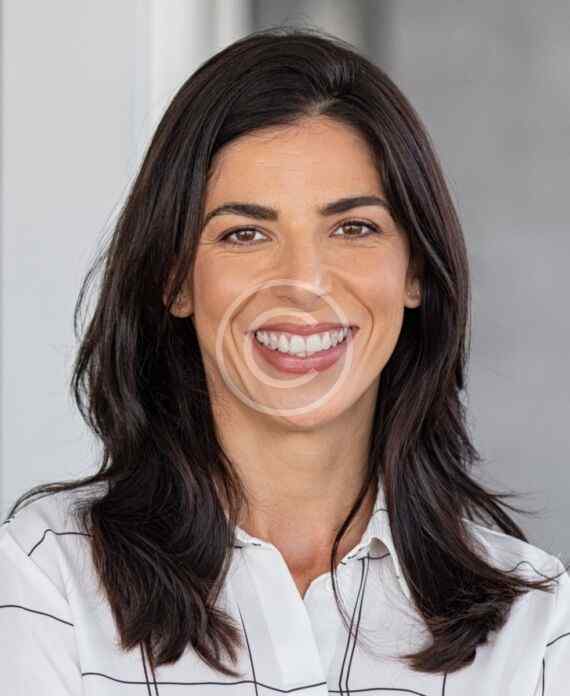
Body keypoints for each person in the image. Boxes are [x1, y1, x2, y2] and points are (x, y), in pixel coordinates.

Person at [1, 25, 568, 696]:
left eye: (353, 228)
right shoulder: (44, 580)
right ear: (175, 280)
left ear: (414, 271)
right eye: (245, 233)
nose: (304, 282)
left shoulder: (538, 625)